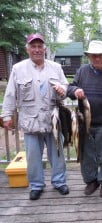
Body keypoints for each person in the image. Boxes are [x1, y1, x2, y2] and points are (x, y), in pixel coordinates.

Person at [1, 33, 69, 200]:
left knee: (58, 153)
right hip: (30, 121)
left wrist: (63, 89)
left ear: (44, 49)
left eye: (40, 46)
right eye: (33, 46)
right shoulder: (18, 68)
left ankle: (59, 182)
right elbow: (10, 95)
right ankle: (36, 185)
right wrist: (7, 115)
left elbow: (66, 88)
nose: (37, 50)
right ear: (28, 49)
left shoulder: (56, 67)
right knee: (32, 157)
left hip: (53, 121)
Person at [67, 40, 102, 198]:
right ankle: (91, 181)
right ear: (89, 56)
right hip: (84, 123)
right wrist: (75, 90)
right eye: (93, 56)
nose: (96, 58)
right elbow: (69, 88)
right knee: (87, 155)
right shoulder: (82, 71)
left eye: (99, 55)